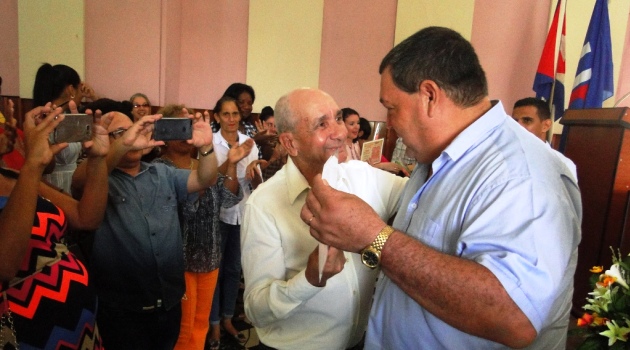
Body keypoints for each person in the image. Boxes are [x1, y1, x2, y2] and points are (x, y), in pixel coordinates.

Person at [301, 27, 582, 349]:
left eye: (391, 108)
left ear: (430, 96)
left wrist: (374, 237)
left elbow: (513, 317)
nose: (388, 122)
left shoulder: (519, 174)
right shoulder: (436, 160)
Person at [241, 88, 407, 349]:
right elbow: (255, 309)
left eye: (339, 118)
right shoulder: (263, 205)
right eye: (322, 124)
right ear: (290, 143)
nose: (341, 133)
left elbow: (421, 195)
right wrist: (308, 280)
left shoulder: (361, 176)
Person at [71, 108, 219, 349]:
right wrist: (123, 145)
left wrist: (206, 148)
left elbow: (205, 179)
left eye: (134, 128)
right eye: (121, 132)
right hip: (122, 309)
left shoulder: (163, 173)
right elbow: (78, 181)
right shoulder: (98, 179)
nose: (133, 135)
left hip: (168, 302)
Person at [0, 102, 110, 349]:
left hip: (79, 328)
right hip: (27, 331)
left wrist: (99, 158)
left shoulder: (12, 176)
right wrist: (33, 164)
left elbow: (87, 217)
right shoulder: (27, 173)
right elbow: (5, 264)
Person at [152, 104, 252, 350]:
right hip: (180, 262)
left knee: (201, 326)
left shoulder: (203, 164)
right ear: (164, 132)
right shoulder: (160, 170)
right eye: (179, 126)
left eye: (189, 126)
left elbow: (228, 199)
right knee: (182, 330)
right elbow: (183, 209)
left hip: (209, 257)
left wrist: (230, 163)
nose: (186, 133)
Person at [207, 96, 260, 347]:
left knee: (233, 269)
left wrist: (257, 169)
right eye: (226, 114)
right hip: (217, 213)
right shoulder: (211, 143)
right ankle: (214, 324)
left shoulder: (250, 144)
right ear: (217, 117)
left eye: (235, 114)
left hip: (243, 212)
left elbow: (256, 184)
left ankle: (228, 318)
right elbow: (207, 179)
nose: (231, 119)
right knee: (214, 271)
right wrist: (232, 160)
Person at [33, 63, 98, 193]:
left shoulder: (66, 116)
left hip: (72, 181)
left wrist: (93, 98)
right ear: (70, 90)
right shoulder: (46, 119)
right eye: (79, 89)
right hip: (55, 184)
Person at [512, 97, 577, 180]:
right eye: (514, 121)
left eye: (527, 120)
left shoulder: (562, 165)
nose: (518, 126)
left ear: (546, 126)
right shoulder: (501, 157)